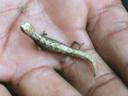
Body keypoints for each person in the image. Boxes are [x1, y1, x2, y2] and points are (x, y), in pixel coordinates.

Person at [0, 0, 128, 96]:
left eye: (25, 27)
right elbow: (42, 42)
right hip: (64, 48)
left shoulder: (35, 38)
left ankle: (89, 61)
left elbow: (41, 46)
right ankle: (86, 58)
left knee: (71, 52)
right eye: (25, 28)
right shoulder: (37, 36)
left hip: (63, 49)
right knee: (70, 50)